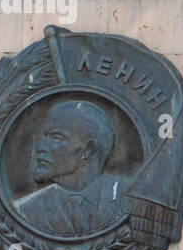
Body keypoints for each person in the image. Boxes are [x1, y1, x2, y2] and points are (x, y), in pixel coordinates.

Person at [16, 100, 127, 236]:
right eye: (45, 137)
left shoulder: (131, 199)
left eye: (56, 138)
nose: (40, 147)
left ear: (88, 150)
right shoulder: (27, 210)